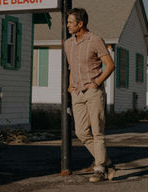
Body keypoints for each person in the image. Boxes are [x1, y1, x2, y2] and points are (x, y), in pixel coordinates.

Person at [64, 8, 116, 182]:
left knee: (97, 131)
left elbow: (109, 65)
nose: (67, 25)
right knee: (81, 132)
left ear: (81, 24)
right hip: (77, 93)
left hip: (94, 91)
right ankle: (107, 161)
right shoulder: (68, 43)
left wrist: (96, 83)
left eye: (70, 22)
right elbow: (72, 67)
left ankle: (100, 168)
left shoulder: (95, 40)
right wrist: (71, 85)